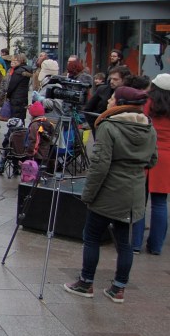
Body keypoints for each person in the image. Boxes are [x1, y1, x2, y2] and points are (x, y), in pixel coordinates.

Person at [64, 86, 157, 303]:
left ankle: (86, 283)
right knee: (124, 241)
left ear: (120, 103)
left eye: (112, 98)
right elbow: (152, 161)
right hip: (133, 193)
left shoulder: (109, 126)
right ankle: (119, 288)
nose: (108, 101)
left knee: (92, 236)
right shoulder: (148, 127)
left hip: (108, 192)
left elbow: (99, 166)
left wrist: (88, 194)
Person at [134, 74, 170, 255]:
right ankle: (156, 246)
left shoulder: (147, 103)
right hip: (167, 158)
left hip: (147, 152)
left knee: (140, 200)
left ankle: (135, 244)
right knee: (160, 203)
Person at [4, 54, 33, 122]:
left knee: (15, 117)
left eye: (15, 60)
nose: (13, 61)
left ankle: (15, 131)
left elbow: (12, 86)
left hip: (16, 98)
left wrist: (7, 95)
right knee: (21, 117)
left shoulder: (18, 71)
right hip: (23, 97)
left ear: (21, 61)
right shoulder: (26, 69)